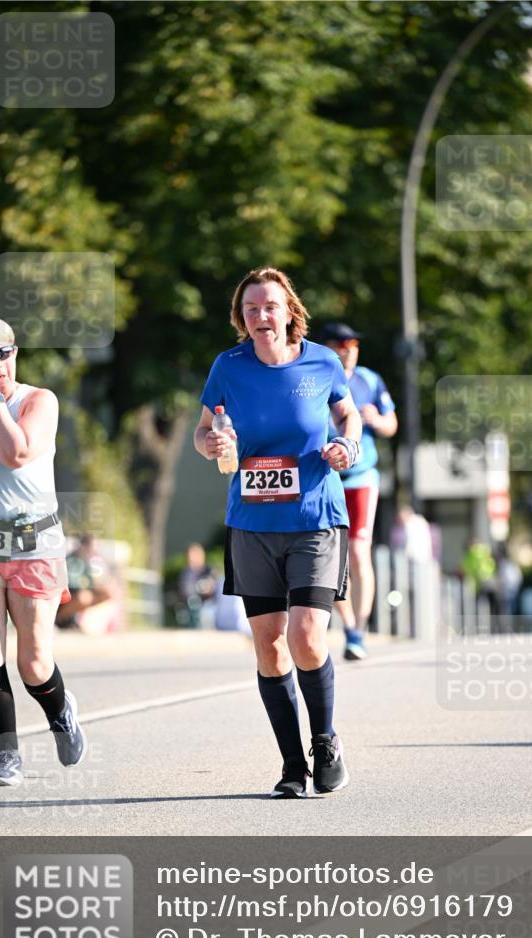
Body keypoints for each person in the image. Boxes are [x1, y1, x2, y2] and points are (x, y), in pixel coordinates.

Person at [194, 267, 362, 798]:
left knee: (307, 637)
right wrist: (213, 446)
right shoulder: (229, 366)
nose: (261, 316)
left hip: (315, 519)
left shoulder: (321, 360)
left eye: (269, 306)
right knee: (269, 647)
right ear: (241, 318)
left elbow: (348, 416)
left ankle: (325, 740)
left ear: (289, 309)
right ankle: (293, 765)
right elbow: (203, 431)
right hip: (252, 523)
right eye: (250, 309)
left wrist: (347, 448)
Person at [0, 314, 86, 787]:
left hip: (34, 544)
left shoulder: (39, 401)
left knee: (33, 661)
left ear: (15, 352)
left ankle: (60, 712)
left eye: (3, 353)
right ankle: (6, 755)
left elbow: (14, 454)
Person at [321, 322, 397, 660]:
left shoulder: (369, 379)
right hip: (326, 477)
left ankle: (359, 630)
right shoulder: (316, 377)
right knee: (333, 558)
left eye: (353, 343)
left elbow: (392, 423)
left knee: (359, 552)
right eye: (340, 343)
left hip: (363, 477)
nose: (348, 349)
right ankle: (348, 625)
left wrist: (377, 421)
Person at [55, 533, 116, 630]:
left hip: (86, 590)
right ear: (84, 546)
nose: (93, 550)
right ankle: (61, 618)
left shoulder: (92, 559)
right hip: (70, 594)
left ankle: (86, 620)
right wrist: (92, 584)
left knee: (108, 592)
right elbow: (72, 583)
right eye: (91, 547)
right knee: (84, 597)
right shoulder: (73, 559)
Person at [176, 542, 218, 628]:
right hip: (187, 604)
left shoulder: (209, 570)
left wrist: (205, 587)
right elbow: (181, 589)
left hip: (205, 604)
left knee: (204, 613)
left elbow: (213, 588)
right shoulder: (186, 572)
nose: (190, 559)